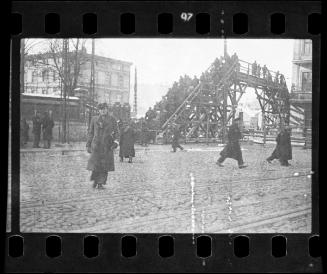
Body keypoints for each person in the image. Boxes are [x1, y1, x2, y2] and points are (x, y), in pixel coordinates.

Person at [86, 103, 119, 189]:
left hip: (107, 146)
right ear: (98, 110)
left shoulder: (112, 119)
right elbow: (90, 132)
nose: (103, 110)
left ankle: (100, 183)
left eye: (104, 109)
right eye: (101, 109)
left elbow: (117, 133)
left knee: (105, 166)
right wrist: (88, 144)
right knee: (95, 165)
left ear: (107, 109)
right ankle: (95, 180)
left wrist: (115, 143)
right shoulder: (94, 119)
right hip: (96, 145)